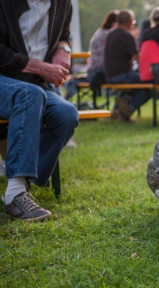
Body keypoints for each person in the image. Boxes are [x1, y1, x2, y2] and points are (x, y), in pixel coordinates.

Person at [0, 0, 79, 221]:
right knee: (29, 95)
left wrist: (64, 48)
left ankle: (21, 180)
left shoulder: (63, 4)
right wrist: (40, 67)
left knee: (67, 114)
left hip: (34, 83)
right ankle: (15, 194)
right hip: (9, 79)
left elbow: (63, 33)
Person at [104, 9, 151, 122]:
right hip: (122, 75)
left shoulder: (111, 34)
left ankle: (117, 110)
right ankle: (130, 107)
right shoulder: (126, 35)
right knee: (150, 84)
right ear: (130, 22)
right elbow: (136, 57)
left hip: (109, 76)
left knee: (133, 86)